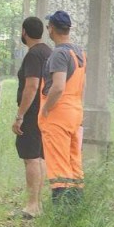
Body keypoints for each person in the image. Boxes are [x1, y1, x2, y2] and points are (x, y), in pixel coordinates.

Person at [39, 10, 86, 205]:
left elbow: (58, 87)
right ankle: (76, 207)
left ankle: (61, 213)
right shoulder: (78, 52)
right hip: (74, 111)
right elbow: (81, 85)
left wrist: (46, 109)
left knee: (58, 164)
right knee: (73, 161)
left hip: (58, 114)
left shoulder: (59, 53)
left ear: (51, 29)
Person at [11, 16, 51, 218]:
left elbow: (32, 85)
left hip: (33, 112)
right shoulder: (48, 52)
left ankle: (32, 205)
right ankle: (38, 203)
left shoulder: (34, 55)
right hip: (45, 112)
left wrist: (20, 115)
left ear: (24, 32)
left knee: (31, 158)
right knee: (40, 156)